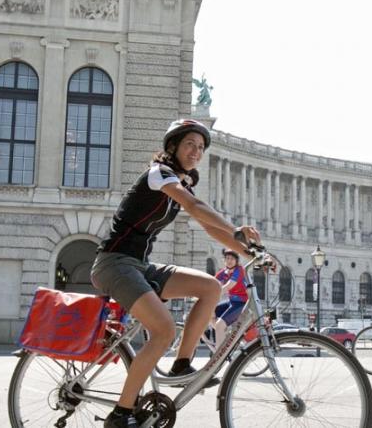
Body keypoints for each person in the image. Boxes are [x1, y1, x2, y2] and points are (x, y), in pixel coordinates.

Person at [90, 119, 261, 428]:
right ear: (173, 147)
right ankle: (120, 415)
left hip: (140, 266)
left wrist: (252, 253)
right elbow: (195, 207)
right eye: (189, 145)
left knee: (210, 287)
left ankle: (181, 366)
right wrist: (236, 229)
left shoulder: (180, 182)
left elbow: (209, 226)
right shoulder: (159, 174)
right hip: (114, 263)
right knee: (164, 331)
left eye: (201, 147)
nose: (196, 151)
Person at [213, 248, 248, 347]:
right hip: (231, 302)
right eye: (227, 258)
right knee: (208, 313)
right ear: (224, 260)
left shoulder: (239, 270)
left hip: (242, 304)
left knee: (219, 325)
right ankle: (223, 337)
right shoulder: (224, 272)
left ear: (236, 261)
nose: (229, 261)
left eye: (232, 259)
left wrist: (211, 295)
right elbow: (211, 282)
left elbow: (228, 286)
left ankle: (219, 355)